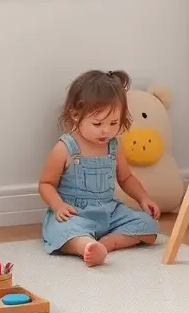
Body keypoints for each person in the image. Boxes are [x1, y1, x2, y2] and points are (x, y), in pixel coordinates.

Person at [39, 69, 160, 266]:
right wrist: (58, 206)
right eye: (97, 123)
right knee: (62, 232)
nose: (106, 130)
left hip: (109, 212)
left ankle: (108, 243)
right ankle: (85, 246)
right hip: (75, 214)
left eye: (114, 123)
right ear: (76, 115)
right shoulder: (66, 148)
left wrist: (143, 198)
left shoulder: (113, 145)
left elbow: (126, 178)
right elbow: (46, 183)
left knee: (149, 226)